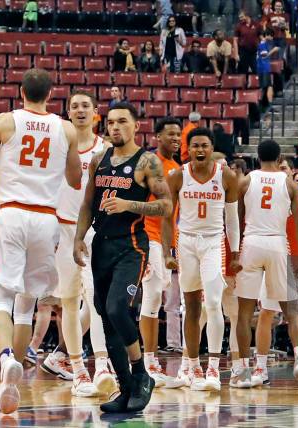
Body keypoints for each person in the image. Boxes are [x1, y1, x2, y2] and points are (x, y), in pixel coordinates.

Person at [0, 68, 82, 414]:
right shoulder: (67, 128)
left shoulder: (5, 121)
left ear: (20, 91)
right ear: (51, 94)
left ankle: (5, 360)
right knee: (27, 304)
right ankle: (8, 385)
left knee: (1, 297)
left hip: (13, 213)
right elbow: (75, 179)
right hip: (46, 219)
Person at [73, 102, 172, 413]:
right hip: (100, 246)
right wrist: (78, 238)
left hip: (131, 246)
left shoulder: (147, 162)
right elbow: (88, 204)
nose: (115, 127)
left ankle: (142, 375)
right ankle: (125, 388)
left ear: (135, 126)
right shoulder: (98, 161)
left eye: (122, 122)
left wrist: (130, 205)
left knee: (118, 308)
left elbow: (167, 205)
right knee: (105, 318)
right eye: (111, 122)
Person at [162, 127, 240, 392]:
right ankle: (191, 365)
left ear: (212, 148)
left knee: (215, 302)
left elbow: (232, 219)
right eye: (195, 146)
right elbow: (167, 217)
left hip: (213, 242)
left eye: (204, 145)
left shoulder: (225, 175)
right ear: (188, 149)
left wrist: (236, 252)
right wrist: (167, 250)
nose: (200, 150)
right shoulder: (178, 176)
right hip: (186, 242)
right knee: (191, 306)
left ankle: (213, 369)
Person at [233, 140, 298, 388]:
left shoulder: (246, 181)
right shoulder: (288, 182)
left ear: (256, 157)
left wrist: (235, 253)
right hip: (278, 244)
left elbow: (235, 220)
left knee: (246, 313)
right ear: (280, 158)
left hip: (251, 242)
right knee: (291, 309)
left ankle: (244, 371)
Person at [45, 91, 112, 398]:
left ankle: (102, 366)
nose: (81, 110)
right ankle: (78, 371)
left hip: (95, 232)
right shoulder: (57, 150)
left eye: (86, 105)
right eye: (75, 106)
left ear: (96, 113)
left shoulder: (107, 149)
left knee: (97, 300)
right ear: (68, 113)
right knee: (69, 303)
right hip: (62, 230)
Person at [139, 117, 182, 388]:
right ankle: (149, 362)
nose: (176, 139)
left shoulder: (176, 168)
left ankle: (61, 352)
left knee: (156, 299)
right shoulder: (148, 163)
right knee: (152, 298)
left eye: (179, 135)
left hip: (165, 241)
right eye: (171, 135)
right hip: (147, 237)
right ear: (157, 137)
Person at [257, 29, 279, 110]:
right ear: (267, 35)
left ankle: (259, 105)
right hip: (264, 68)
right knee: (269, 86)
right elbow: (264, 56)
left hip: (261, 68)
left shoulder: (262, 44)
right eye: (271, 36)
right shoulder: (263, 44)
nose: (272, 38)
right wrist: (274, 50)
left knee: (263, 87)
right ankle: (269, 106)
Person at [233, 10, 260, 74]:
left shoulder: (257, 25)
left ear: (247, 15)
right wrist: (236, 54)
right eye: (239, 17)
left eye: (242, 17)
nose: (240, 19)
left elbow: (261, 39)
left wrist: (259, 51)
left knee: (256, 70)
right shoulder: (238, 26)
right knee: (242, 72)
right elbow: (235, 40)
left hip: (254, 52)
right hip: (243, 52)